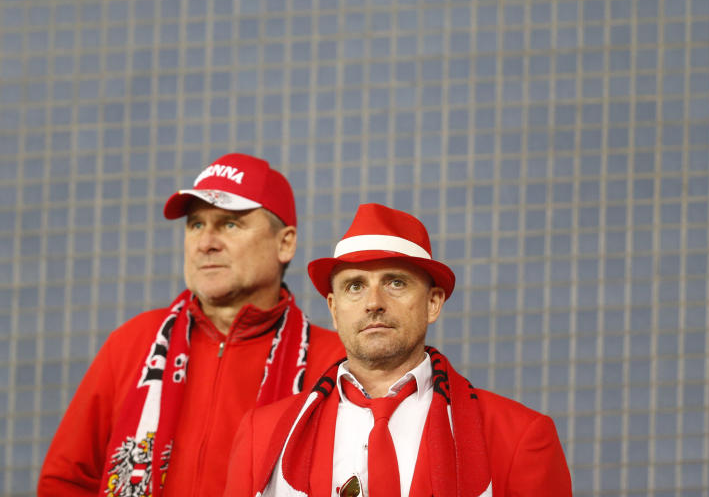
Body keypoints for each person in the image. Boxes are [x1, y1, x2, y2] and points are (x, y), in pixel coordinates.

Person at [38, 153, 345, 497]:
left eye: (230, 224)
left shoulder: (335, 363)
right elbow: (64, 482)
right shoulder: (132, 342)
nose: (205, 243)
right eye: (196, 224)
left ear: (285, 243)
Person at [224, 203, 572, 497]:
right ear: (333, 308)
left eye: (395, 282)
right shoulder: (263, 434)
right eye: (355, 286)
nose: (374, 303)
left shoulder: (520, 436)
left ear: (433, 303)